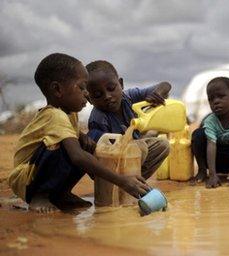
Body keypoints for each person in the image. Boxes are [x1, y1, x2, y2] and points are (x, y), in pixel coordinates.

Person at [8, 53, 151, 213]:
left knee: (85, 144)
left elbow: (75, 137)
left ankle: (60, 194)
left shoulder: (69, 113)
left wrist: (83, 138)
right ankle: (40, 196)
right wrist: (122, 181)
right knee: (71, 151)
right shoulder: (54, 115)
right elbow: (77, 157)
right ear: (57, 89)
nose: (87, 94)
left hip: (34, 173)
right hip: (26, 179)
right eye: (82, 87)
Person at [85, 60, 170, 179]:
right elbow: (102, 153)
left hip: (131, 155)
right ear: (89, 99)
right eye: (98, 95)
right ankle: (123, 184)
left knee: (163, 145)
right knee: (139, 147)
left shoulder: (129, 97)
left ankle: (135, 181)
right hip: (109, 166)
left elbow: (165, 85)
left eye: (111, 88)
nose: (107, 96)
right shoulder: (98, 118)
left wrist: (158, 93)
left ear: (121, 84)